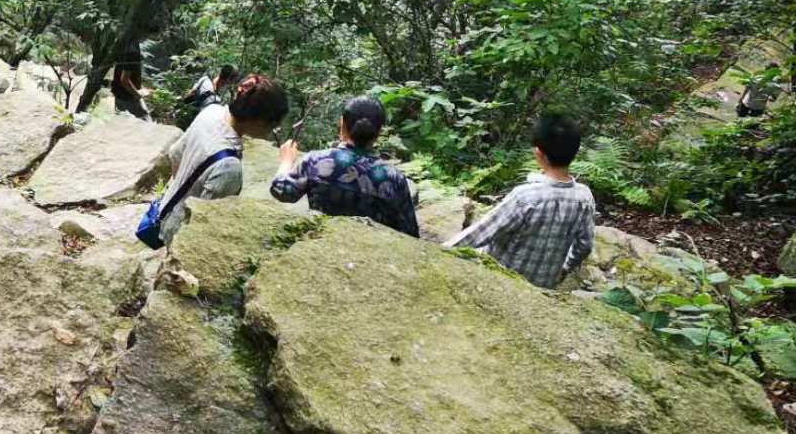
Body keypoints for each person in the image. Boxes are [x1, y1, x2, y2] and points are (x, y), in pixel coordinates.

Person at [446, 114, 597, 288]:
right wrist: (564, 268)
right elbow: (584, 246)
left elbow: (479, 234)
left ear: (538, 153)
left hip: (501, 281)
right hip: (543, 286)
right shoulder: (584, 197)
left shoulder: (525, 197)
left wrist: (436, 251)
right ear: (575, 153)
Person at [141, 74, 290, 247]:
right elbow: (206, 220)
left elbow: (175, 154)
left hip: (165, 209)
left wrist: (184, 185)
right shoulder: (229, 167)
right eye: (273, 123)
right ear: (258, 120)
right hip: (177, 234)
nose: (275, 128)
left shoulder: (212, 112)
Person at [271, 95, 420, 237]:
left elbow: (282, 191)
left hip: (322, 241)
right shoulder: (393, 178)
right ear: (379, 132)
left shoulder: (316, 160)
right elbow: (409, 232)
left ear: (342, 124)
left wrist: (287, 161)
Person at [112, 43, 149, 119]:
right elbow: (124, 80)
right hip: (128, 97)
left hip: (119, 93)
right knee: (144, 124)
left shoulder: (125, 43)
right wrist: (138, 95)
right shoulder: (132, 51)